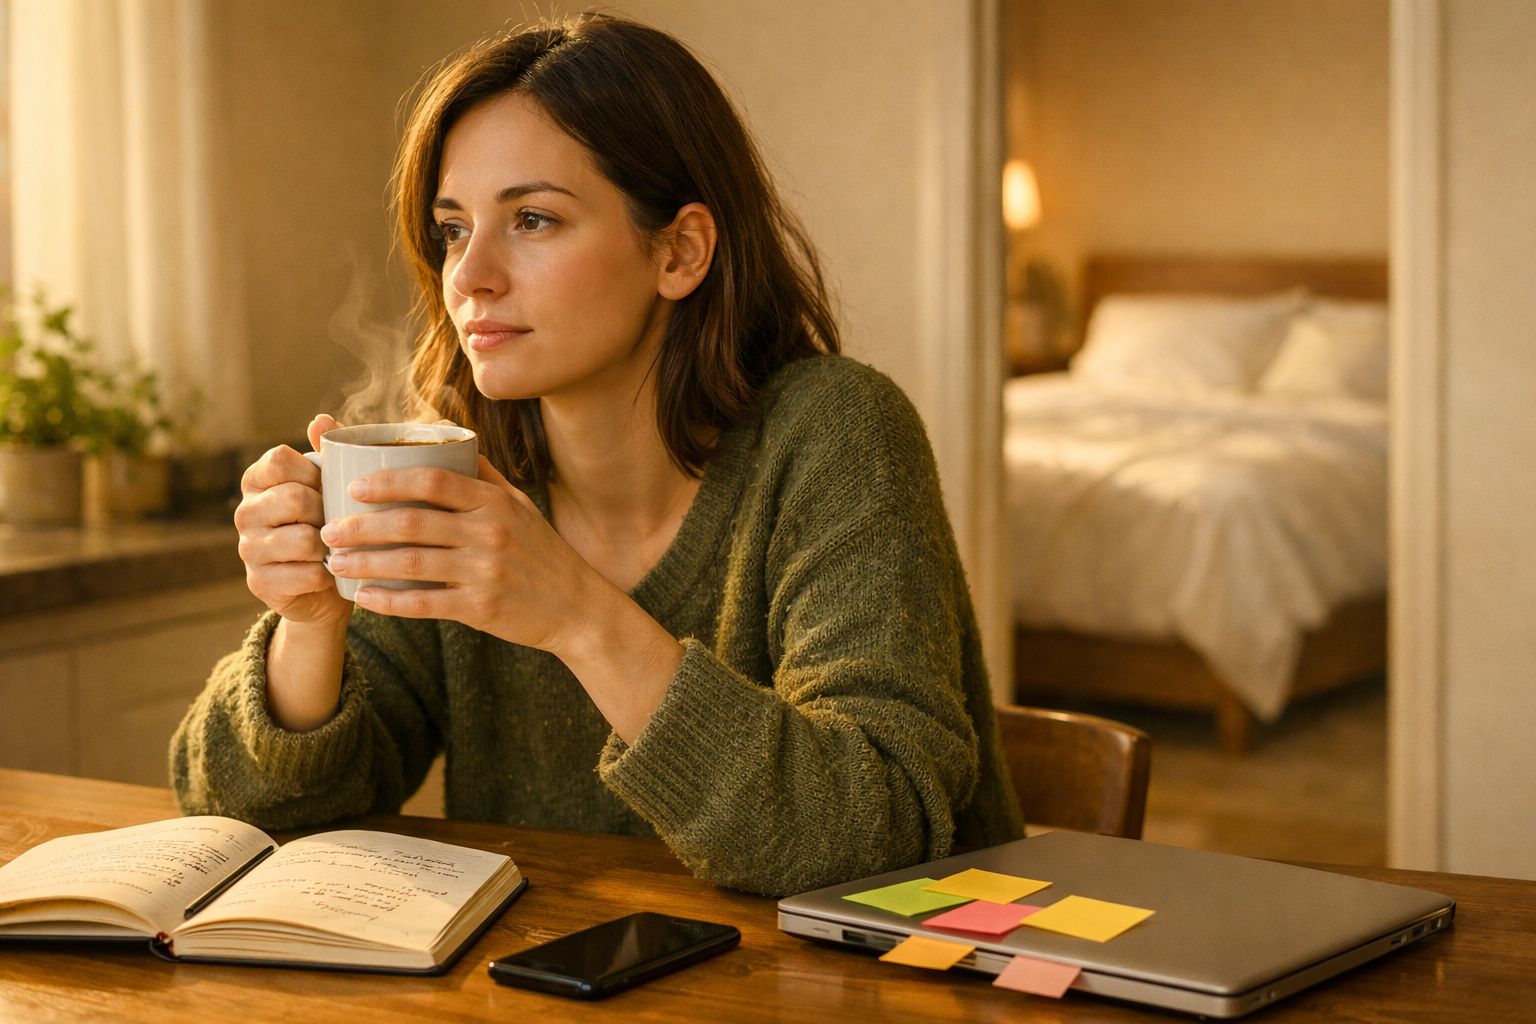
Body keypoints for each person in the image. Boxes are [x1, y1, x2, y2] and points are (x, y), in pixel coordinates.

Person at [171, 12, 1022, 898]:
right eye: (455, 228)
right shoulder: (461, 469)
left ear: (680, 250)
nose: (468, 278)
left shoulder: (835, 434)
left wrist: (577, 614)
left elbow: (872, 835)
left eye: (532, 220)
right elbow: (240, 817)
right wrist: (311, 626)